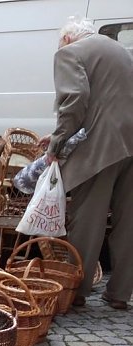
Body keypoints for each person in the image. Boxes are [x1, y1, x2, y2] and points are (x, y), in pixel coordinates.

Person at [41, 17, 133, 310]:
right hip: (130, 144)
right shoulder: (122, 52)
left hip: (102, 149)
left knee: (87, 222)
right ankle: (119, 294)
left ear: (67, 39)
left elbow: (75, 100)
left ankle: (75, 292)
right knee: (128, 223)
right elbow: (107, 102)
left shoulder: (70, 53)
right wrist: (57, 135)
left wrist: (56, 145)